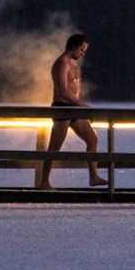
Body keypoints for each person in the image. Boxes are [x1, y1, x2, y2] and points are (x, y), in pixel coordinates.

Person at [37, 33, 106, 189]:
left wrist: (78, 104)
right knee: (55, 147)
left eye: (84, 50)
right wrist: (81, 105)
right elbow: (62, 91)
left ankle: (93, 176)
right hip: (62, 107)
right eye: (82, 49)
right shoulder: (61, 63)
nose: (83, 53)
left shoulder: (73, 64)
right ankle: (44, 182)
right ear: (73, 46)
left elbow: (74, 89)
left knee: (92, 139)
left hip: (74, 108)